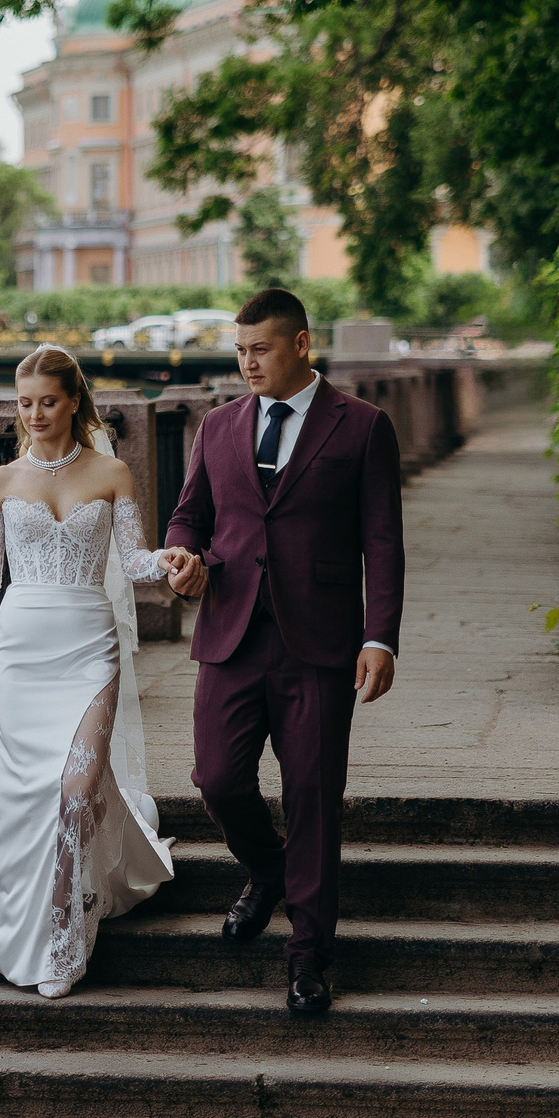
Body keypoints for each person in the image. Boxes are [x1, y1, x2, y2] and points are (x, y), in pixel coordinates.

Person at [162, 286, 406, 1017]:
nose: (247, 364)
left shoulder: (362, 426)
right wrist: (182, 557)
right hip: (232, 631)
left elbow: (383, 541)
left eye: (260, 349)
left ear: (302, 344)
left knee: (313, 800)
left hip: (321, 643)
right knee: (216, 777)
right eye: (239, 352)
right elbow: (188, 515)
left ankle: (308, 956)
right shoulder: (217, 427)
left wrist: (380, 635)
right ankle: (266, 873)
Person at [0, 345, 179, 999]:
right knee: (34, 790)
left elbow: (134, 561)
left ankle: (66, 937)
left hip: (90, 648)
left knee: (78, 788)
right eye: (25, 402)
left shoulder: (112, 473)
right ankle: (42, 915)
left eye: (47, 401)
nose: (34, 414)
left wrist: (171, 559)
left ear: (74, 401)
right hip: (20, 650)